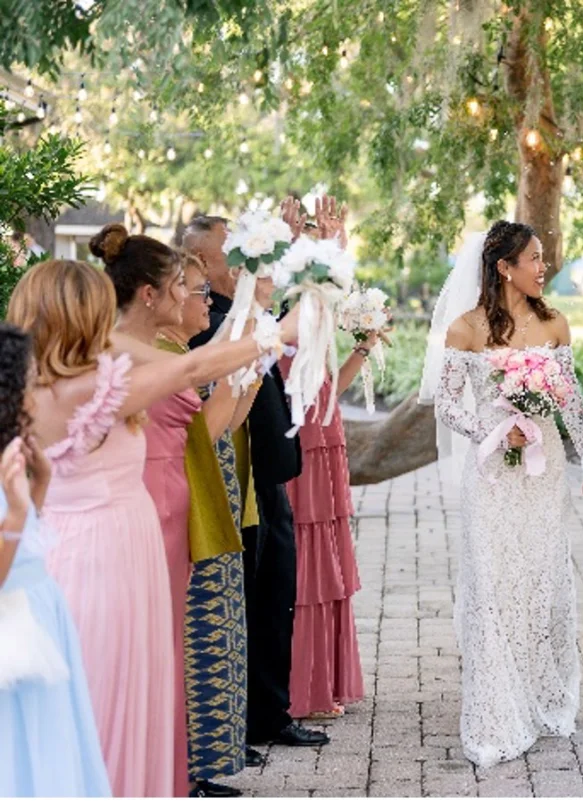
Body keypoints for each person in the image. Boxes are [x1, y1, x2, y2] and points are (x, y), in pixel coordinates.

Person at [6, 259, 298, 796]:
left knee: (96, 691)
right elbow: (190, 371)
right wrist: (275, 334)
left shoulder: (30, 387)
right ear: (85, 317)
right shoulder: (90, 389)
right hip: (107, 559)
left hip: (70, 550)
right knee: (115, 693)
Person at [420, 220, 583, 767]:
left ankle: (540, 698)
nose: (544, 267)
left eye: (543, 257)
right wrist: (491, 431)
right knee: (494, 585)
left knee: (539, 585)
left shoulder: (555, 324)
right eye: (534, 258)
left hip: (543, 476)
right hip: (493, 474)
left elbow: (572, 404)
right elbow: (448, 404)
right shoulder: (465, 329)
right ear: (504, 267)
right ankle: (496, 711)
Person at [183, 215, 330, 750]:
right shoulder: (210, 324)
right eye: (237, 256)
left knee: (275, 595)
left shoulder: (245, 313)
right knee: (250, 600)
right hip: (237, 480)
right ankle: (243, 719)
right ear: (204, 262)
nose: (250, 269)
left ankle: (270, 712)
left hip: (268, 472)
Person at [159, 250, 261, 797]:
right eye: (196, 290)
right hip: (189, 504)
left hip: (216, 494)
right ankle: (184, 769)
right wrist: (233, 381)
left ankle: (202, 765)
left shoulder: (182, 353)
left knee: (219, 634)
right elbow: (201, 433)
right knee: (195, 641)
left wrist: (247, 383)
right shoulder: (166, 359)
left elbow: (230, 420)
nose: (205, 301)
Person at [0, 323, 111, 797]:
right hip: (14, 629)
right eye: (28, 381)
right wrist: (17, 512)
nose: (35, 392)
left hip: (41, 610)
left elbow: (25, 541)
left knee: (50, 745)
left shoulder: (11, 457)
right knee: (21, 748)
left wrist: (38, 488)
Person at [277, 196, 366, 721]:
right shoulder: (279, 316)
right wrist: (312, 244)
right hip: (298, 441)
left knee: (325, 557)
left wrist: (363, 348)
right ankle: (300, 686)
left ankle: (323, 679)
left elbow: (329, 385)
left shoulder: (317, 312)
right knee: (304, 560)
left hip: (325, 435)